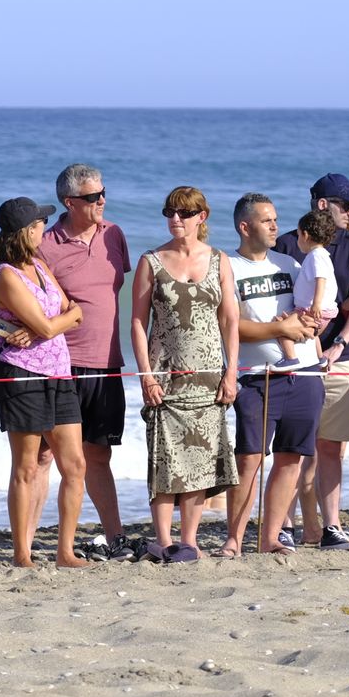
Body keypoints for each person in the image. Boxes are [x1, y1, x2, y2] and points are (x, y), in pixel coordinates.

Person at [130, 187, 239, 563]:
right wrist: (146, 375)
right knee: (164, 460)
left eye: (184, 213)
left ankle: (189, 540)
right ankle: (163, 540)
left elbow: (230, 320)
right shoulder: (152, 261)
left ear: (201, 217)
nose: (176, 219)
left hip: (209, 377)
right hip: (166, 376)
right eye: (170, 212)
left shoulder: (220, 260)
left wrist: (231, 372)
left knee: (199, 462)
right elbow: (137, 323)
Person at [36, 164, 133, 562]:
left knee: (98, 453)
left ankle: (115, 536)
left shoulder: (114, 234)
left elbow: (115, 290)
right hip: (61, 365)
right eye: (93, 197)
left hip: (107, 362)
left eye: (103, 192)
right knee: (45, 455)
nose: (102, 201)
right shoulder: (45, 244)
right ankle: (29, 543)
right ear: (69, 202)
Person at [0, 197, 87, 568]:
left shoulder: (40, 266)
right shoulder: (5, 275)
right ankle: (22, 554)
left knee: (74, 465)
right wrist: (46, 326)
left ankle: (65, 551)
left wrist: (50, 325)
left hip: (59, 372)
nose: (46, 228)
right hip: (21, 375)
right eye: (41, 223)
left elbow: (73, 312)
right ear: (28, 231)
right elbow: (53, 322)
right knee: (27, 467)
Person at [274, 173, 349, 550]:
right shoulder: (288, 242)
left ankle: (331, 528)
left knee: (331, 448)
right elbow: (276, 301)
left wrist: (339, 343)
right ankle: (284, 525)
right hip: (294, 359)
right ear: (322, 205)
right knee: (292, 448)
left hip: (340, 358)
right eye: (345, 204)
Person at [221, 194, 322, 558]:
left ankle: (270, 537)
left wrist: (304, 324)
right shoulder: (228, 267)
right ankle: (233, 539)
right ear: (244, 227)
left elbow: (311, 315)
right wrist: (279, 329)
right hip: (258, 378)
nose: (276, 226)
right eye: (266, 221)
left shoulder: (291, 264)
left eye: (276, 219)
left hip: (304, 373)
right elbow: (230, 327)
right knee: (248, 458)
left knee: (291, 458)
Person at [275, 209, 337, 371]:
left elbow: (321, 279)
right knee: (314, 334)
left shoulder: (316, 255)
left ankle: (291, 358)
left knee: (281, 326)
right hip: (318, 310)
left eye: (297, 235)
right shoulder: (322, 255)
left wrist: (316, 304)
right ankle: (320, 358)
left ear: (305, 235)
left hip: (312, 310)